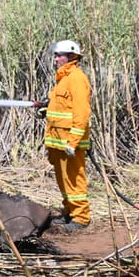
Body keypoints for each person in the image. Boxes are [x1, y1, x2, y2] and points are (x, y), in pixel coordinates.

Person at [38, 39, 92, 231]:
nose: (56, 59)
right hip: (57, 141)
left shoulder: (76, 78)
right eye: (55, 55)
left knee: (74, 179)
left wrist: (73, 142)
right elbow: (61, 108)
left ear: (72, 57)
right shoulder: (62, 79)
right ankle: (69, 212)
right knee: (63, 180)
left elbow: (81, 113)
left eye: (59, 55)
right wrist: (45, 109)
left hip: (69, 142)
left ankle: (81, 218)